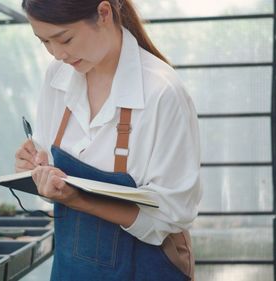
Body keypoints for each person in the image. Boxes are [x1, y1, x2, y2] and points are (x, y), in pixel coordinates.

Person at [14, 0, 202, 280]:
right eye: (44, 42)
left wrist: (79, 199)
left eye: (64, 38)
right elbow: (46, 160)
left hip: (146, 268)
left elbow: (173, 213)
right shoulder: (58, 77)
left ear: (103, 13)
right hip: (72, 270)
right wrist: (32, 166)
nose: (57, 54)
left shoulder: (161, 91)